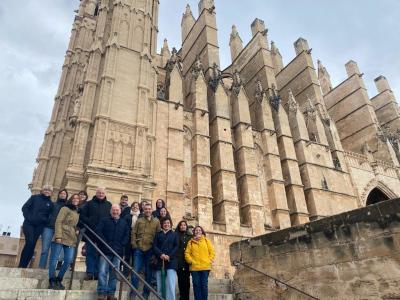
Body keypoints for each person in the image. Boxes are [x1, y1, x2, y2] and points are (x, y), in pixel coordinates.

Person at [96, 204, 129, 300]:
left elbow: (127, 235)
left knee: (114, 273)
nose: (115, 212)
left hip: (117, 252)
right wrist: (104, 243)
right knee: (102, 271)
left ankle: (111, 293)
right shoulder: (104, 220)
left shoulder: (124, 223)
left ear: (120, 211)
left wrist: (122, 243)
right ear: (111, 211)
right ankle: (102, 292)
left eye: (117, 210)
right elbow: (98, 231)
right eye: (113, 210)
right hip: (105, 251)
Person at [48, 193, 80, 290]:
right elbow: (58, 221)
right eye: (74, 198)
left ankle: (59, 279)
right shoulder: (65, 208)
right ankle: (52, 280)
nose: (75, 200)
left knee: (68, 260)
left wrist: (76, 229)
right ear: (70, 199)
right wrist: (58, 236)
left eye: (77, 199)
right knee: (54, 259)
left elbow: (74, 224)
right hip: (61, 235)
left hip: (71, 238)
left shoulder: (77, 212)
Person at [79, 187, 112, 280]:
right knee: (90, 253)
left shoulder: (108, 205)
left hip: (102, 234)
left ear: (105, 194)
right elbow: (82, 216)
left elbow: (110, 218)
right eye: (99, 193)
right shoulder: (89, 204)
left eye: (102, 193)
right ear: (96, 193)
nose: (101, 194)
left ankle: (97, 273)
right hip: (91, 232)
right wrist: (89, 221)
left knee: (100, 253)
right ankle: (90, 272)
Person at [19, 185, 54, 268]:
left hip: (39, 226)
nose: (47, 191)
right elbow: (25, 208)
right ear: (42, 190)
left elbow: (50, 215)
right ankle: (21, 265)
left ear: (51, 192)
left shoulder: (50, 203)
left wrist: (44, 220)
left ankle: (25, 265)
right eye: (45, 189)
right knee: (29, 242)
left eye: (49, 190)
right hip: (29, 224)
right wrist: (29, 218)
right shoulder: (34, 198)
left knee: (33, 245)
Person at [130, 203, 161, 300]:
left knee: (148, 273)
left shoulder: (156, 221)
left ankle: (146, 293)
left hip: (150, 250)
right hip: (139, 249)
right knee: (135, 271)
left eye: (149, 209)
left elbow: (158, 236)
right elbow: (133, 232)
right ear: (144, 210)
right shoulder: (139, 220)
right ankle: (133, 292)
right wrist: (134, 245)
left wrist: (156, 250)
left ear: (152, 210)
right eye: (146, 209)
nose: (148, 210)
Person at [39, 189, 68, 269]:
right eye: (61, 193)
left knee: (55, 251)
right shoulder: (53, 204)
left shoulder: (67, 207)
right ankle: (41, 267)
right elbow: (46, 213)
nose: (62, 195)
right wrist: (47, 220)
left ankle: (50, 268)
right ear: (58, 195)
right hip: (49, 227)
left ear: (66, 196)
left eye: (64, 194)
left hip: (60, 230)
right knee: (45, 249)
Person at [184, 226, 215, 300]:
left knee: (204, 285)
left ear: (202, 232)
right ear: (194, 232)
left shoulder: (206, 241)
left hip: (205, 267)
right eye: (196, 230)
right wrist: (191, 261)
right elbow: (187, 253)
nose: (198, 231)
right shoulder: (190, 242)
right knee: (196, 285)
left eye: (199, 230)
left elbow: (212, 252)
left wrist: (209, 260)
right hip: (194, 268)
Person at [153, 218, 179, 300]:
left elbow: (176, 246)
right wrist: (161, 254)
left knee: (170, 284)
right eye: (164, 223)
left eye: (168, 223)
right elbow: (154, 246)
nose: (166, 224)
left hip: (171, 262)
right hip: (160, 261)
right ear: (162, 224)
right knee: (160, 284)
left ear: (170, 224)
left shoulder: (175, 234)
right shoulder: (158, 234)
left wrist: (169, 256)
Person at [175, 221, 192, 300]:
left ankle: (186, 297)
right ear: (179, 227)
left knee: (187, 281)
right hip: (179, 261)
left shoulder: (190, 236)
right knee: (180, 280)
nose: (183, 226)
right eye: (181, 225)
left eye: (184, 225)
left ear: (186, 226)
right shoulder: (176, 235)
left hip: (187, 262)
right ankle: (182, 297)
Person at [122, 201, 140, 270]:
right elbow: (124, 227)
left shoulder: (141, 216)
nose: (135, 207)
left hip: (137, 239)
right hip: (128, 238)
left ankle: (134, 273)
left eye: (137, 205)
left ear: (139, 207)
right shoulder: (127, 216)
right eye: (134, 205)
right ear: (131, 207)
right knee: (127, 256)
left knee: (136, 257)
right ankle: (126, 272)